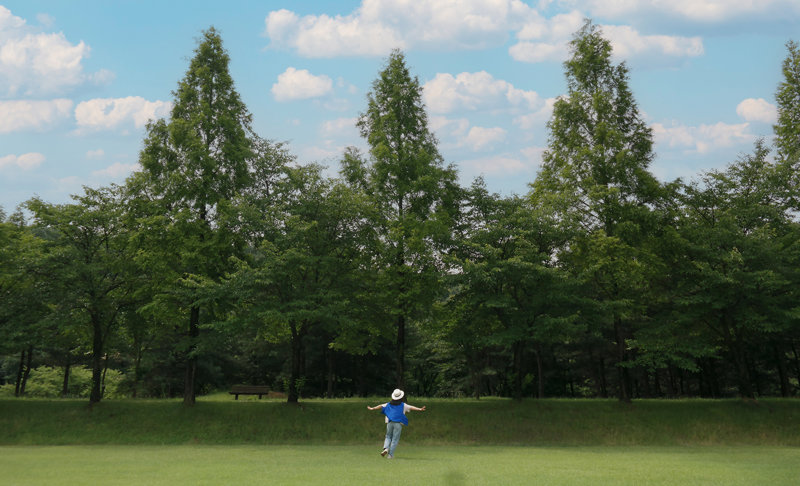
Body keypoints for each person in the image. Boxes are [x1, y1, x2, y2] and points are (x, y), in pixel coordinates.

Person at [367, 389, 426, 459]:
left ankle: (385, 448)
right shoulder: (403, 405)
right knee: (395, 439)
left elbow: (380, 406)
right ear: (401, 397)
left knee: (388, 436)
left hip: (389, 422)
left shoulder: (388, 404)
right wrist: (420, 409)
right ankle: (390, 455)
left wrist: (372, 408)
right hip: (398, 424)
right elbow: (411, 407)